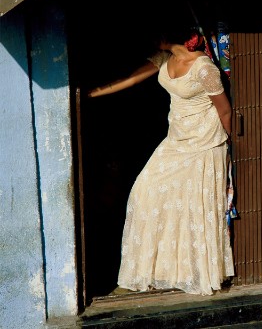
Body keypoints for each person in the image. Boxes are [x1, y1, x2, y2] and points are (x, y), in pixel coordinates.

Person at [87, 24, 235, 295]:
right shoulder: (165, 59)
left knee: (193, 204)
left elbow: (224, 110)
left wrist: (230, 146)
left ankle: (194, 271)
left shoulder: (205, 69)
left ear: (171, 34)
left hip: (204, 140)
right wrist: (92, 93)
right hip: (176, 138)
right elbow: (131, 79)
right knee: (144, 192)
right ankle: (162, 270)